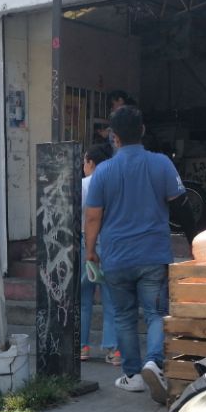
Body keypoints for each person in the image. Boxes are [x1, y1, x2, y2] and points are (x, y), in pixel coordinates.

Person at [84, 105, 183, 400]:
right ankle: (155, 362)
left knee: (124, 316)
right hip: (153, 254)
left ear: (113, 137)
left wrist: (90, 251)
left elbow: (93, 217)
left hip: (116, 256)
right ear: (142, 130)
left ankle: (133, 375)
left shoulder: (103, 171)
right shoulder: (161, 163)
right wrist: (192, 240)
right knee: (155, 313)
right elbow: (180, 205)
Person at [79, 143, 119, 363]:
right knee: (111, 298)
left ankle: (82, 347)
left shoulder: (84, 185)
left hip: (86, 242)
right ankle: (114, 350)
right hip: (111, 242)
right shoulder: (115, 184)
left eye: (84, 162)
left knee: (83, 298)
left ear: (91, 162)